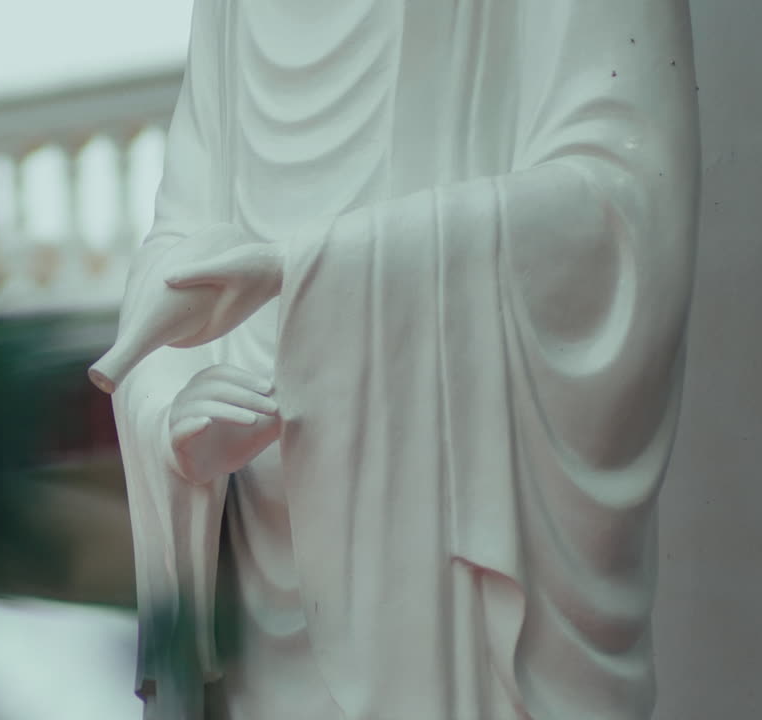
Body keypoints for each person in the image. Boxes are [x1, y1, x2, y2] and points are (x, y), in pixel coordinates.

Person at [92, 1, 702, 718]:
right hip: (252, 563)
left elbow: (624, 211)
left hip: (449, 547)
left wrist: (303, 270)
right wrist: (171, 416)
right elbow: (179, 242)